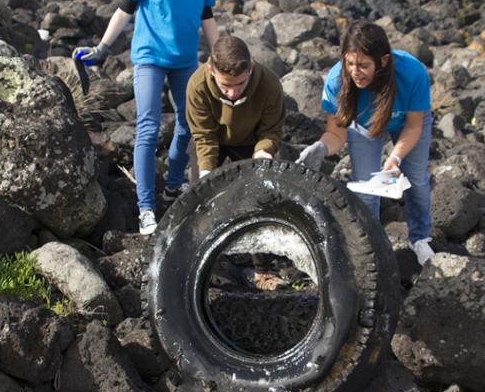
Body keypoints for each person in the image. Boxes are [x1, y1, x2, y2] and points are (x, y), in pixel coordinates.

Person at [75, 0, 218, 235]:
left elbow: (206, 15)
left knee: (189, 125)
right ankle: (146, 208)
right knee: (148, 128)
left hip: (185, 61)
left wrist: (218, 55)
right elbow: (124, 9)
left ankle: (173, 186)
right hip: (149, 57)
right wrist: (102, 48)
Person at [297, 20, 435, 265]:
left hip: (406, 121)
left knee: (416, 181)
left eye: (363, 65)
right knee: (366, 190)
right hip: (364, 125)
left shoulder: (412, 73)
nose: (355, 71)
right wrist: (321, 148)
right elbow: (336, 134)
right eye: (349, 63)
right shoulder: (336, 81)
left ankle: (420, 239)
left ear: (383, 61)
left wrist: (395, 158)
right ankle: (374, 248)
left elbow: (414, 126)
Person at [186, 35, 286, 177]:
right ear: (211, 70)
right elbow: (203, 135)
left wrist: (264, 152)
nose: (232, 93)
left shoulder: (269, 84)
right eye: (225, 85)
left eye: (240, 83)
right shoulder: (198, 85)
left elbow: (271, 131)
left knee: (259, 185)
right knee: (200, 186)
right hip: (209, 140)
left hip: (252, 141)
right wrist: (206, 171)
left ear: (250, 68)